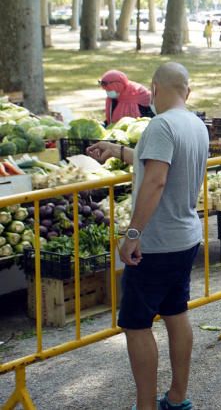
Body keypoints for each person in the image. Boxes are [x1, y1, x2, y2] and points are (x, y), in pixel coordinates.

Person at [86, 63, 209, 410]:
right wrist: (120, 150)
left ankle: (145, 405)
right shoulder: (195, 124)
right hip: (186, 235)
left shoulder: (161, 125)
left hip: (157, 242)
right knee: (176, 312)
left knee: (137, 324)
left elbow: (156, 180)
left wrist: (132, 234)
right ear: (187, 90)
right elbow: (162, 163)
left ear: (154, 89)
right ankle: (178, 396)